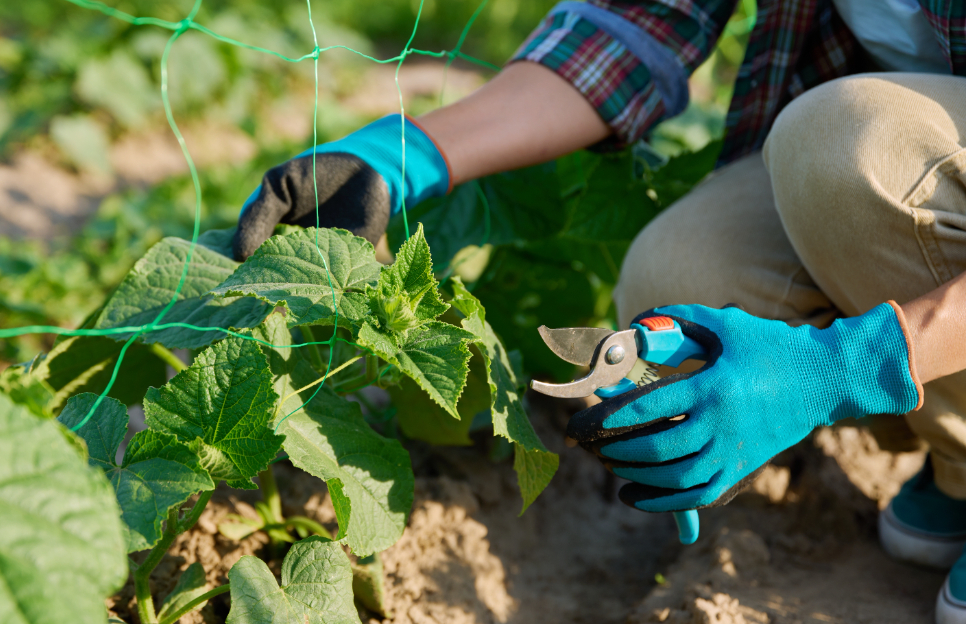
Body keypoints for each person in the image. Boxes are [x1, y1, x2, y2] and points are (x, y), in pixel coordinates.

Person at [232, 0, 966, 620]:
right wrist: (407, 155)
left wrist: (846, 365)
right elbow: (640, 19)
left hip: (867, 142)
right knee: (683, 282)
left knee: (845, 141)